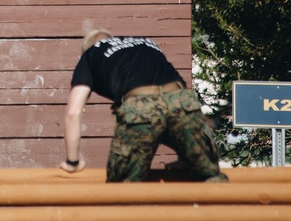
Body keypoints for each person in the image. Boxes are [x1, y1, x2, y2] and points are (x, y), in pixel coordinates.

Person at [60, 29, 227, 183]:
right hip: (182, 100)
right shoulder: (145, 42)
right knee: (209, 175)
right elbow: (167, 108)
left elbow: (73, 113)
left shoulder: (91, 54)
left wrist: (72, 161)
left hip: (141, 105)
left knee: (122, 187)